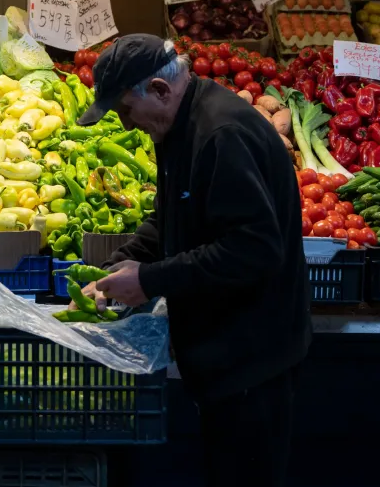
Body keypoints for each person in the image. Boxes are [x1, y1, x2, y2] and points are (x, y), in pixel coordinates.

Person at [74, 34, 311, 487]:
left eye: (125, 110)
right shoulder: (178, 125)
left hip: (254, 359)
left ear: (160, 91)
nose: (127, 124)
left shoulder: (222, 134)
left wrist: (150, 279)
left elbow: (253, 250)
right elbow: (170, 218)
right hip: (224, 356)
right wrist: (121, 265)